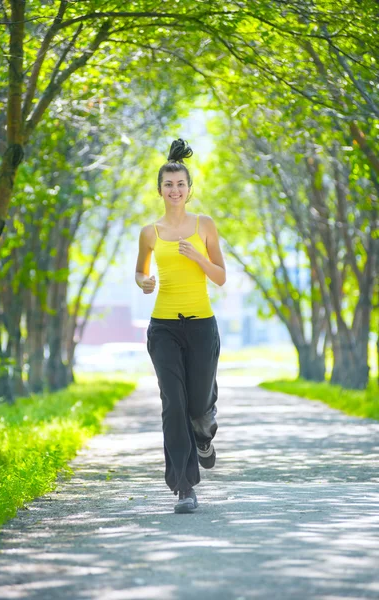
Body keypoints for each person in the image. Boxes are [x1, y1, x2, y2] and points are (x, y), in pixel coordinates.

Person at [135, 138, 226, 514]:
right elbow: (140, 274)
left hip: (202, 326)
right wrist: (144, 282)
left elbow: (220, 277)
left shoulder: (204, 225)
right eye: (168, 185)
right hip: (164, 329)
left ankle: (205, 434)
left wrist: (198, 258)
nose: (174, 190)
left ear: (189, 190)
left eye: (180, 185)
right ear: (160, 190)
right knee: (173, 404)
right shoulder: (149, 232)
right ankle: (184, 487)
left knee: (197, 408)